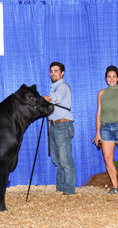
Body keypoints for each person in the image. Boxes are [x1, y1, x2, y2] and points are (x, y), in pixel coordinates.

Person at [92, 66, 118, 197]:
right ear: (106, 79)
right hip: (105, 128)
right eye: (109, 77)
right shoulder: (101, 93)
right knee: (108, 158)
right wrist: (97, 132)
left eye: (113, 76)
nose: (111, 79)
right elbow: (99, 114)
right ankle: (115, 186)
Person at [44, 62, 76, 195]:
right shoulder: (54, 87)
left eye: (55, 71)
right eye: (51, 71)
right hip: (55, 125)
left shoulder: (62, 86)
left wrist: (48, 98)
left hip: (63, 125)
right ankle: (60, 188)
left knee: (65, 159)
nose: (52, 73)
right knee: (57, 160)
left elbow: (57, 98)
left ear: (62, 73)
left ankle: (68, 190)